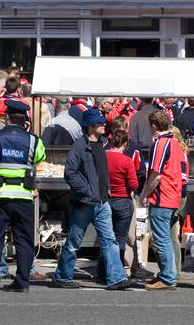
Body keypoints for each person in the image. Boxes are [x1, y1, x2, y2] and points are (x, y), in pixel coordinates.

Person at [52, 108, 134, 291]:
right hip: (84, 203)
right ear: (90, 126)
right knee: (74, 241)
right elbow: (70, 173)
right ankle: (62, 277)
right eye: (99, 123)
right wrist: (87, 191)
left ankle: (117, 278)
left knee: (110, 240)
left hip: (102, 201)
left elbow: (100, 172)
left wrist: (106, 189)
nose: (104, 124)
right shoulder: (79, 146)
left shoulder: (104, 144)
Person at [0, 100, 45, 293]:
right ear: (25, 121)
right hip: (23, 197)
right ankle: (22, 282)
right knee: (24, 240)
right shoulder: (34, 140)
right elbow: (40, 159)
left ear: (6, 118)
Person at [142, 109, 187, 291]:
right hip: (173, 194)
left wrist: (145, 193)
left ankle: (168, 276)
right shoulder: (175, 142)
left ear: (153, 126)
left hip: (163, 196)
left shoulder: (161, 143)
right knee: (167, 237)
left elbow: (156, 174)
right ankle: (167, 274)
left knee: (162, 239)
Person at [105, 120, 142, 281]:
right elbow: (134, 183)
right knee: (122, 238)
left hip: (106, 199)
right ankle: (119, 272)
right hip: (124, 198)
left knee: (107, 237)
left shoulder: (103, 154)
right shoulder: (128, 159)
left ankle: (104, 271)